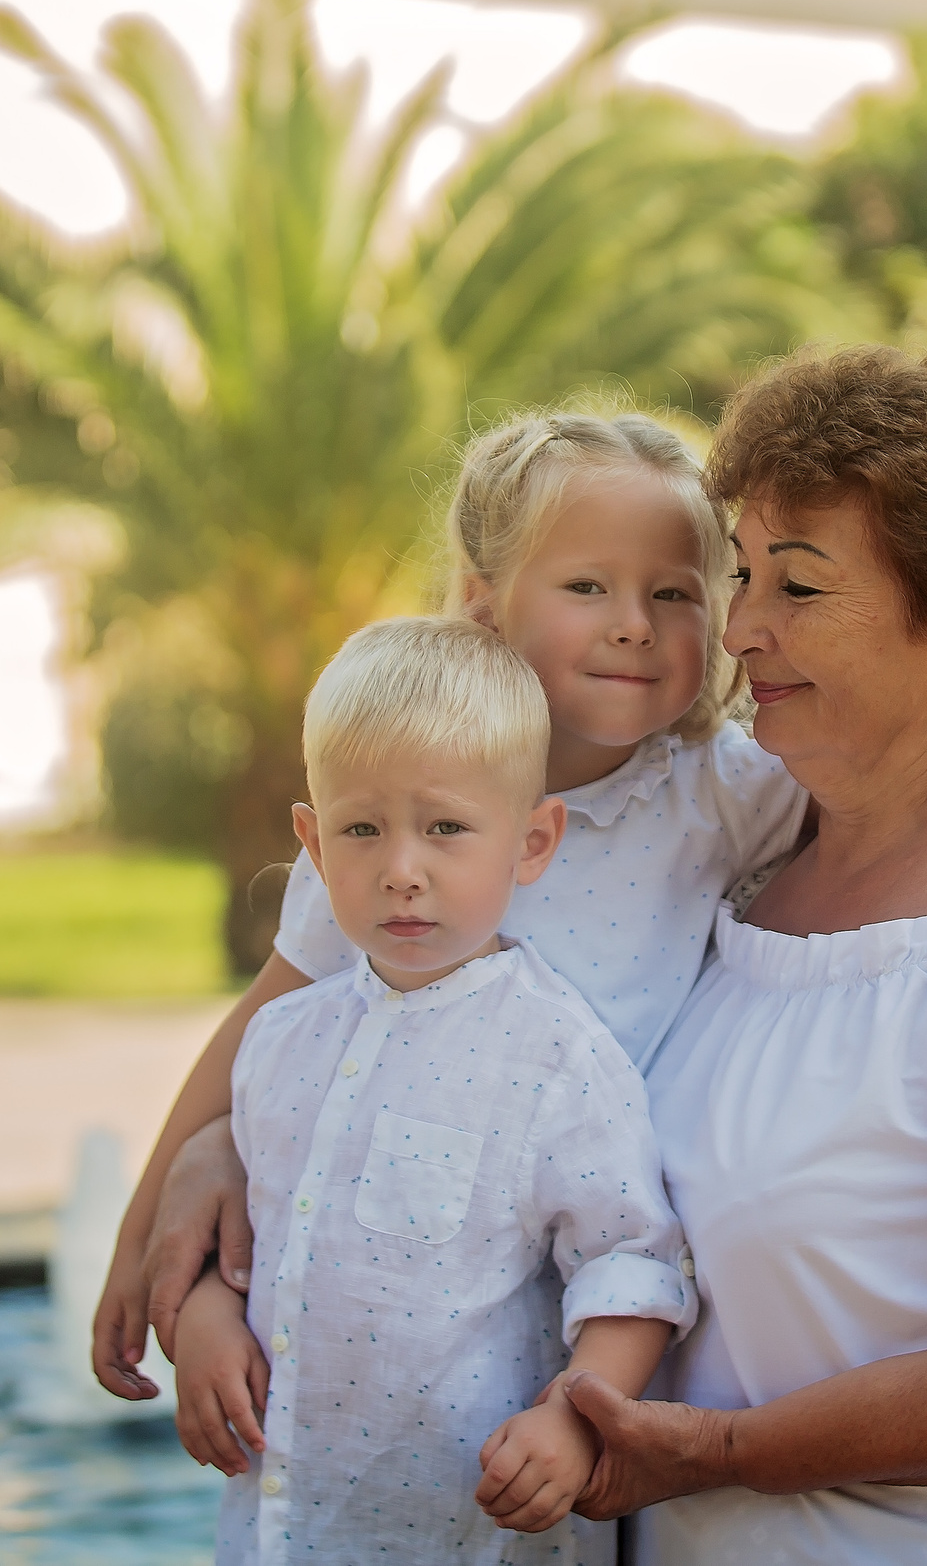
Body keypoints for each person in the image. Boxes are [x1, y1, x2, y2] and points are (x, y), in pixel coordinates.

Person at [129, 347, 927, 1561]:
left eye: (790, 589)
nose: (740, 630)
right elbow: (318, 1017)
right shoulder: (760, 878)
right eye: (746, 575)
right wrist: (208, 1161)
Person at [92, 408, 927, 1398]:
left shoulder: (721, 793)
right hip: (395, 1290)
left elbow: (895, 785)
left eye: (674, 593)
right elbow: (266, 1017)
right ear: (484, 606)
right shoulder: (394, 812)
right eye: (586, 587)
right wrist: (147, 1234)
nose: (633, 624)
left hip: (591, 1300)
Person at [170, 616, 694, 1562]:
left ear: (532, 840)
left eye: (446, 828)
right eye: (361, 828)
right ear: (314, 845)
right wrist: (206, 1316)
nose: (402, 870)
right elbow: (253, 1233)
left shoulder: (556, 1059)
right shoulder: (279, 1044)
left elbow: (634, 1263)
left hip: (467, 1535)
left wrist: (576, 1420)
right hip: (284, 1528)